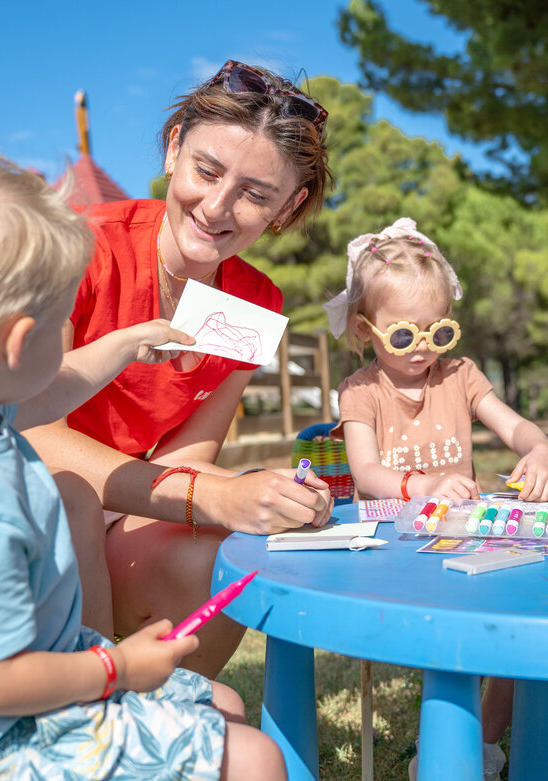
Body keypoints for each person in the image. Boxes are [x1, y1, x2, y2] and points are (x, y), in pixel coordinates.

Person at [0, 140, 283, 780]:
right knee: (250, 756)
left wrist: (130, 341)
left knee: (224, 702)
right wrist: (119, 669)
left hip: (6, 693)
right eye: (62, 323)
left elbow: (54, 384)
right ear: (20, 344)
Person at [24, 60, 335, 679]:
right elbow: (31, 431)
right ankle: (88, 715)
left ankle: (162, 720)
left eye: (255, 194)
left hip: (130, 508)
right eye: (207, 170)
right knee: (72, 499)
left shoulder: (259, 302)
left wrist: (256, 497)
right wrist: (216, 494)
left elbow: (190, 456)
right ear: (173, 149)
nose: (216, 207)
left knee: (231, 551)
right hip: (33, 510)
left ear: (288, 206)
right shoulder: (78, 248)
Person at [325, 217, 548, 780]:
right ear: (365, 330)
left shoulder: (459, 375)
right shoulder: (361, 391)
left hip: (462, 536)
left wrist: (542, 450)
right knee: (453, 637)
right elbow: (367, 471)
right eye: (403, 336)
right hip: (395, 545)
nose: (422, 349)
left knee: (516, 625)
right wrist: (422, 485)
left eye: (439, 333)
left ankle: (480, 747)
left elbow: (517, 427)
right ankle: (455, 749)